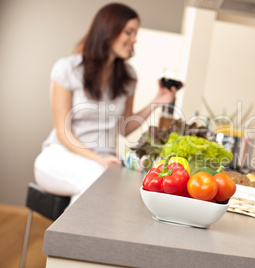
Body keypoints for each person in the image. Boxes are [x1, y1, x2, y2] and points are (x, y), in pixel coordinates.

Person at [34, 3, 177, 203]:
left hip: (104, 162)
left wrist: (157, 101)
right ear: (108, 30)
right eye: (129, 32)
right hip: (61, 156)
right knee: (95, 183)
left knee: (119, 190)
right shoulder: (68, 69)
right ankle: (70, 235)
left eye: (135, 33)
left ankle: (71, 234)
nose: (134, 39)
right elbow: (63, 132)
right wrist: (98, 160)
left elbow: (124, 128)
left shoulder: (128, 77)